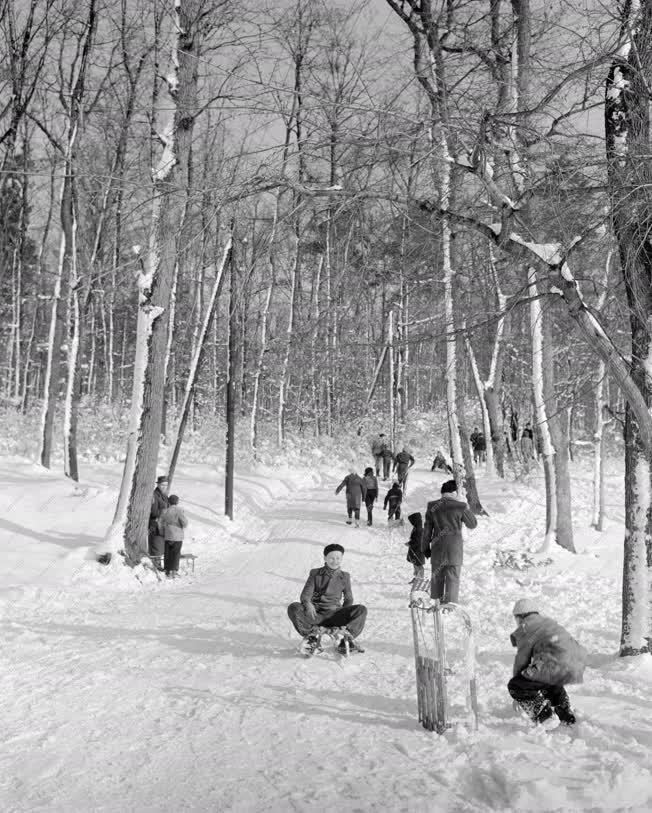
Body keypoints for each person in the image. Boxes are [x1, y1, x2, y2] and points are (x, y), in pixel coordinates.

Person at [508, 598, 587, 725]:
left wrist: (520, 691)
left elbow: (521, 661)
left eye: (516, 618)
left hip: (554, 663)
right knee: (547, 679)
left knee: (516, 685)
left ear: (522, 616)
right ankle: (566, 715)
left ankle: (544, 716)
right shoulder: (548, 623)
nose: (516, 621)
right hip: (575, 664)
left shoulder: (526, 627)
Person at [287, 543, 367, 655]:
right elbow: (305, 595)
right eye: (332, 558)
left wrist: (345, 616)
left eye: (338, 558)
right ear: (325, 558)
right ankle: (311, 637)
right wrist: (308, 604)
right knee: (293, 607)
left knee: (361, 610)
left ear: (342, 558)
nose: (335, 561)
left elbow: (348, 599)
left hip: (335, 615)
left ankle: (345, 638)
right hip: (316, 615)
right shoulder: (315, 574)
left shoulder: (345, 576)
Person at [422, 479, 477, 603]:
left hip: (437, 548)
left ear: (442, 492)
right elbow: (472, 524)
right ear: (454, 492)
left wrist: (425, 548)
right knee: (453, 578)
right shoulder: (460, 506)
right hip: (454, 550)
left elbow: (427, 530)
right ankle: (450, 606)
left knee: (437, 577)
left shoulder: (432, 506)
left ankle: (436, 605)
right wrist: (466, 508)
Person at [158, 494, 188, 578]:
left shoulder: (165, 511)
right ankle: (174, 572)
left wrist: (162, 532)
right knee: (175, 553)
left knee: (167, 553)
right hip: (177, 536)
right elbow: (185, 523)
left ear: (169, 501)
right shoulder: (179, 511)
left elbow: (160, 523)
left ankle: (167, 571)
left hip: (167, 535)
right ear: (177, 502)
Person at [148, 475, 169, 570]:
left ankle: (160, 565)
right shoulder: (154, 495)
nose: (164, 487)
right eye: (162, 485)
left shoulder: (164, 495)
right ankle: (156, 567)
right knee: (156, 546)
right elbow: (153, 512)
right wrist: (164, 512)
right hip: (155, 525)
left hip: (163, 525)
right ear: (158, 485)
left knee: (161, 547)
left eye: (166, 485)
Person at [406, 512, 426, 579]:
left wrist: (410, 543)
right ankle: (416, 578)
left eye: (412, 521)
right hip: (415, 550)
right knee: (415, 564)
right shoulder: (417, 527)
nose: (411, 523)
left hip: (418, 551)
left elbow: (417, 541)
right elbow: (415, 539)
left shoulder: (418, 529)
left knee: (419, 565)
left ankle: (421, 579)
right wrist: (410, 542)